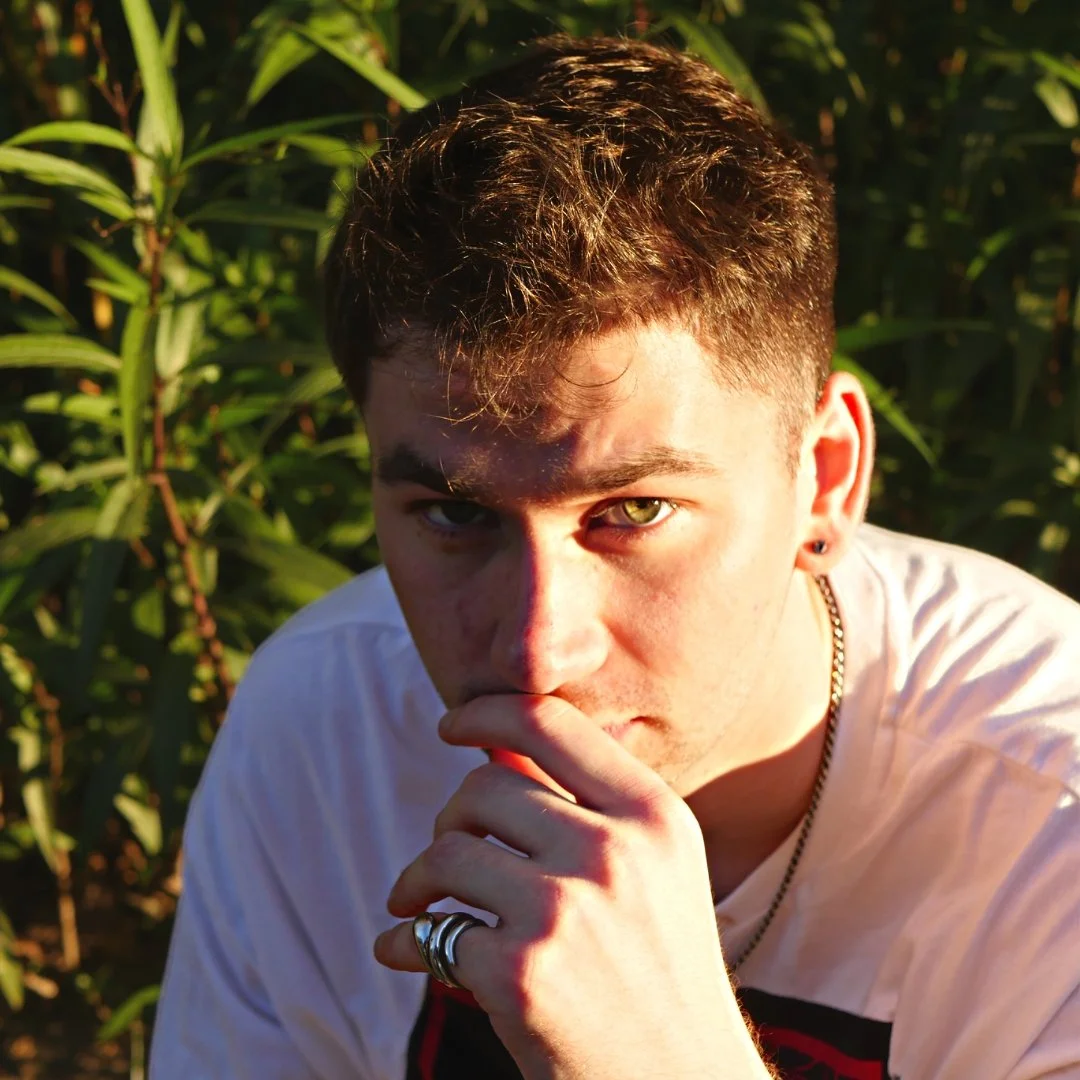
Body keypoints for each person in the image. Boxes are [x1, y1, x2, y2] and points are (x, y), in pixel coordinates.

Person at [149, 34, 1080, 1080]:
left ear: (823, 477)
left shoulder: (1050, 827)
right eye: (454, 517)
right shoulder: (323, 732)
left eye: (632, 510)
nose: (539, 647)